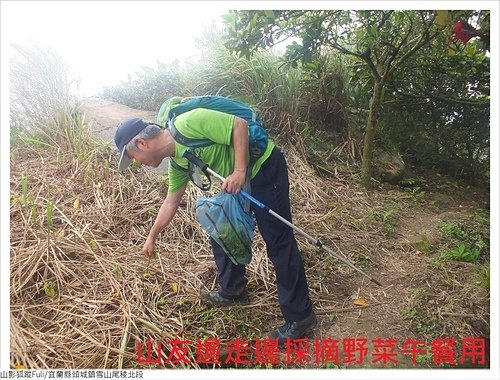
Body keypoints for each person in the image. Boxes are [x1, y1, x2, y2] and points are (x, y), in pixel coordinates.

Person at [114, 104, 316, 344]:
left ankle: (300, 317)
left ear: (142, 143)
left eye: (133, 158)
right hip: (237, 181)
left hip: (263, 166)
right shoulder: (178, 163)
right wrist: (152, 236)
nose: (138, 163)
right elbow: (170, 203)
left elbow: (238, 126)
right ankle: (232, 291)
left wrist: (240, 170)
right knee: (221, 226)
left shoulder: (189, 122)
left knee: (278, 241)